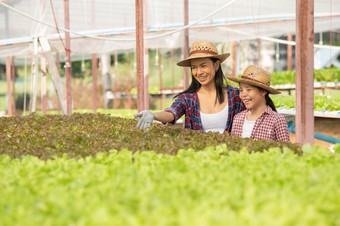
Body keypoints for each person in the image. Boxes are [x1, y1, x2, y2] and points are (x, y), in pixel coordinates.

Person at [134, 41, 245, 133]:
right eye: (194, 67)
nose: (199, 72)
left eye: (203, 66)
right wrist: (154, 115)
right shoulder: (188, 99)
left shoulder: (235, 95)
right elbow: (172, 113)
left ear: (216, 65)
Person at [227, 65, 290, 142]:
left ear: (263, 91)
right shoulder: (237, 118)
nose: (243, 94)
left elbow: (285, 150)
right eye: (241, 90)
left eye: (248, 89)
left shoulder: (277, 120)